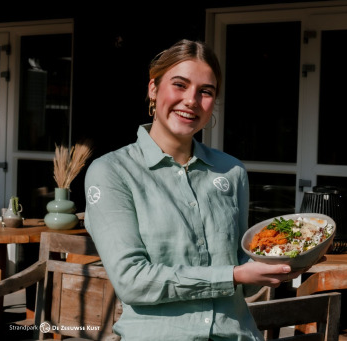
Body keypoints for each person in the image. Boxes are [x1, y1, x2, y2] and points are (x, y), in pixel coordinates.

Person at [84, 39, 305, 341]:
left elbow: (246, 276)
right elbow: (132, 281)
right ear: (153, 89)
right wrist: (233, 275)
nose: (191, 100)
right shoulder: (112, 171)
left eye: (206, 91)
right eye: (180, 85)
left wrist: (283, 261)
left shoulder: (231, 171)